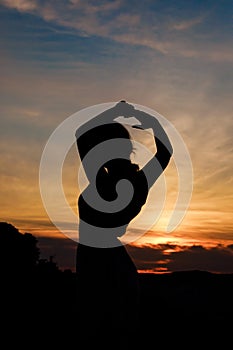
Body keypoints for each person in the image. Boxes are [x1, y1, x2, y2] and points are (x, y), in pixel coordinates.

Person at [74, 101, 173, 344]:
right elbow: (166, 152)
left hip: (97, 260)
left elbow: (80, 134)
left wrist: (116, 111)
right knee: (118, 331)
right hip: (115, 262)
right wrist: (152, 124)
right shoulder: (138, 181)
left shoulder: (103, 181)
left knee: (100, 331)